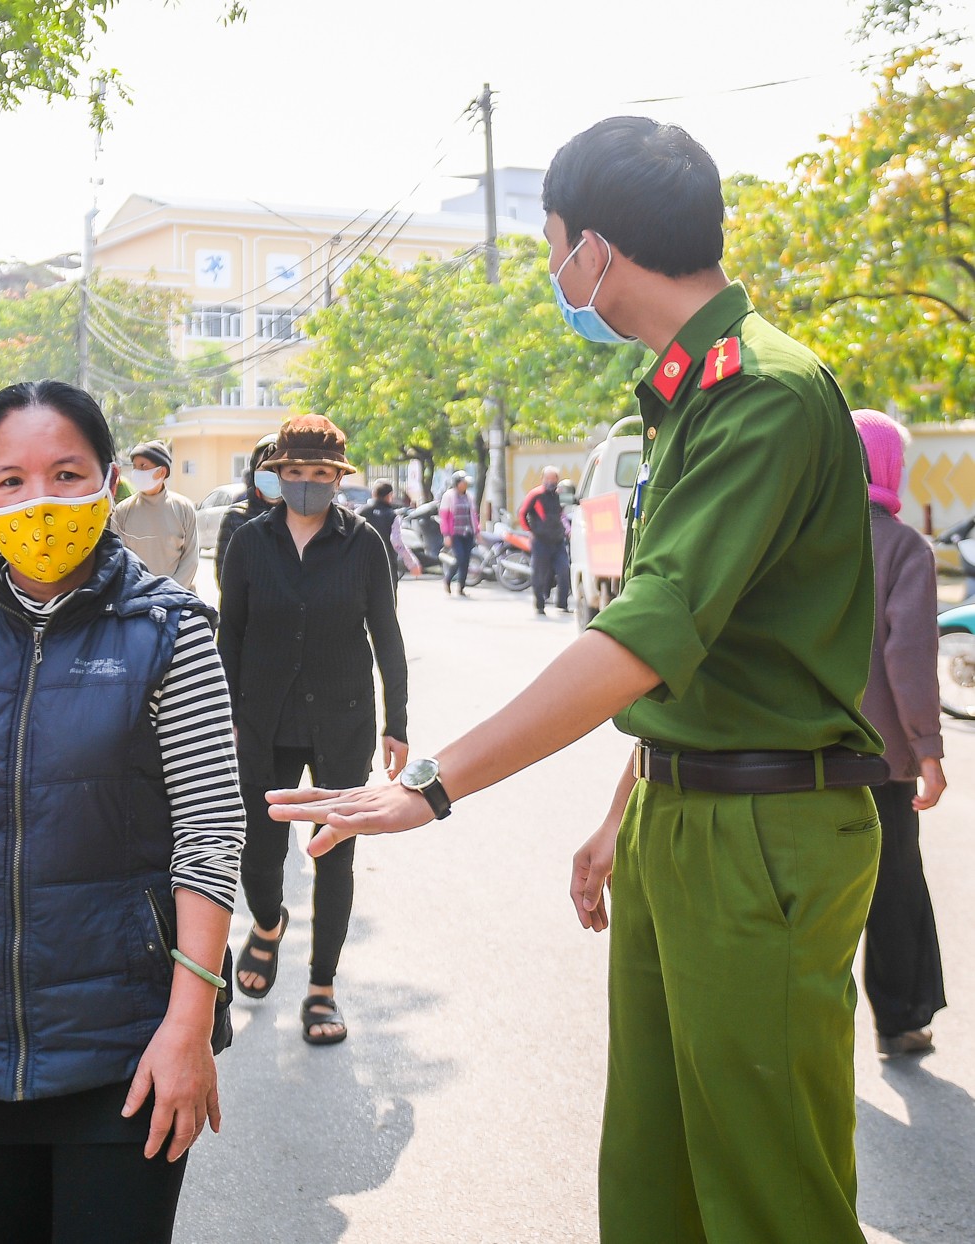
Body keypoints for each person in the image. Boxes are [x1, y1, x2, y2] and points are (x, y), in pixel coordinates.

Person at [268, 117, 888, 1244]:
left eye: (554, 245)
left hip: (764, 828)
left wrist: (436, 780)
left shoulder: (764, 394)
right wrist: (627, 806)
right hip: (685, 804)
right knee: (654, 1180)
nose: (557, 272)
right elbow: (710, 650)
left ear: (593, 248)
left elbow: (648, 632)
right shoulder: (689, 393)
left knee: (768, 1195)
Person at [0, 379, 244, 1244]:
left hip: (128, 1052)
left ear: (108, 480)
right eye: (12, 480)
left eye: (68, 474)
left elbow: (211, 839)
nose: (41, 501)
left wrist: (189, 1026)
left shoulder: (172, 630)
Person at [216, 415, 407, 1045]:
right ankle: (268, 925)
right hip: (264, 723)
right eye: (294, 473)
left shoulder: (364, 545)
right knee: (260, 850)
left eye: (319, 475)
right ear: (276, 474)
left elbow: (386, 634)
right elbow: (231, 634)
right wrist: (228, 716)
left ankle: (322, 988)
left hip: (343, 721)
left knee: (334, 852)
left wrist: (396, 722)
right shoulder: (248, 543)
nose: (305, 485)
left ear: (337, 479)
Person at [853, 410, 948, 1056]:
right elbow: (908, 660)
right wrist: (929, 752)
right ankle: (899, 1020)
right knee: (893, 888)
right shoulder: (902, 547)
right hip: (880, 763)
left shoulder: (793, 538)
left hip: (799, 754)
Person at [110, 440, 200, 589]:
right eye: (135, 467)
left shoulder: (184, 508)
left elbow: (190, 560)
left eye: (143, 466)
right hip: (136, 598)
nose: (137, 472)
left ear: (162, 471)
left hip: (179, 598)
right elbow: (119, 560)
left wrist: (170, 592)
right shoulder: (122, 511)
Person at [214, 433, 280, 588]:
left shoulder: (299, 517)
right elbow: (225, 575)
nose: (272, 475)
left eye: (278, 469)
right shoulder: (235, 516)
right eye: (265, 468)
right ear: (253, 472)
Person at [519, 465, 572, 615]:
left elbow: (565, 512)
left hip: (558, 541)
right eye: (547, 478)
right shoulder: (535, 494)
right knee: (539, 574)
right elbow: (522, 513)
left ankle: (562, 604)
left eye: (553, 479)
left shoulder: (559, 495)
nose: (550, 481)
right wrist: (530, 531)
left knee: (563, 571)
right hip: (541, 542)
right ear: (542, 479)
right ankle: (540, 605)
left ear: (557, 480)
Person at [438, 471, 475, 596]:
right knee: (460, 557)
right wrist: (446, 535)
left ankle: (461, 587)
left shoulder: (469, 496)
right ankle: (448, 579)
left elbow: (473, 515)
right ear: (457, 483)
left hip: (468, 532)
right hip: (455, 533)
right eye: (463, 482)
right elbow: (444, 517)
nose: (465, 485)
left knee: (466, 560)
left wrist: (477, 530)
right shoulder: (448, 496)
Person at [360, 481, 402, 587]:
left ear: (373, 494)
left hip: (362, 562)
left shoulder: (359, 513)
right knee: (387, 599)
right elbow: (397, 542)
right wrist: (411, 563)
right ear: (389, 496)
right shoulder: (392, 515)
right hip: (387, 563)